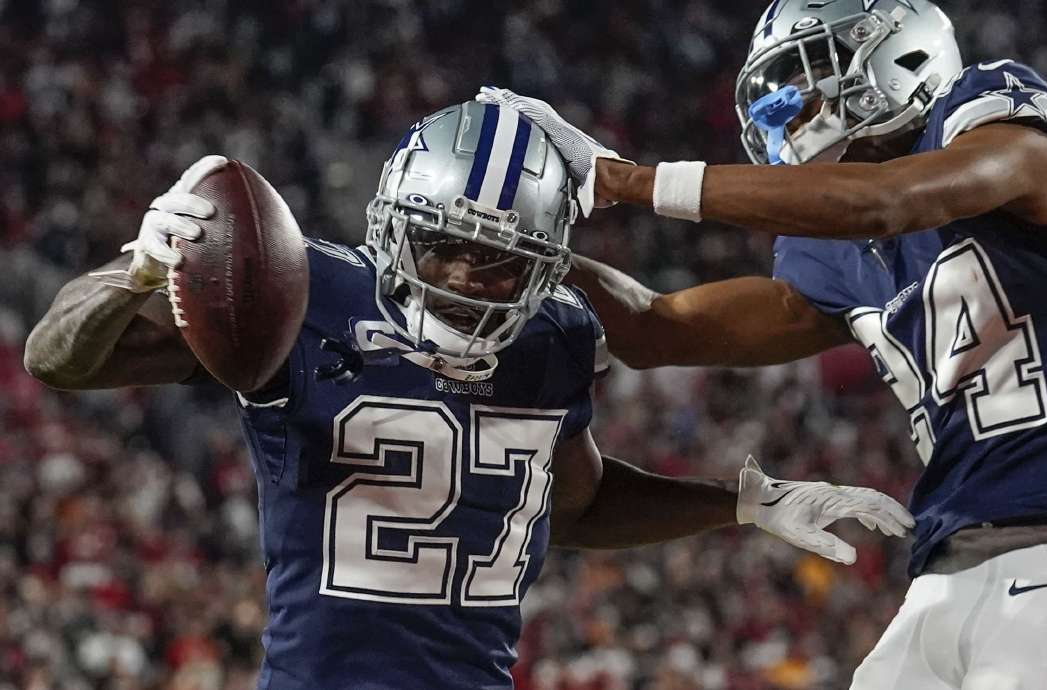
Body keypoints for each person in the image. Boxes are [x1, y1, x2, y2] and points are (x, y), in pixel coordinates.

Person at [22, 101, 914, 690]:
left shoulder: (557, 336)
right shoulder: (306, 294)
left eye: (500, 260)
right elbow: (60, 357)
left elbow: (577, 505)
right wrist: (134, 272)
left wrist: (742, 505)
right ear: (392, 227)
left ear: (545, 266)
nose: (463, 275)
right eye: (443, 244)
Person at [478, 1, 1047, 688]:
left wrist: (630, 181)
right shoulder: (833, 254)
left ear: (896, 52)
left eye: (804, 78)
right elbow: (657, 327)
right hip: (944, 572)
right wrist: (510, 237)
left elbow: (890, 199)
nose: (787, 112)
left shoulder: (991, 116)